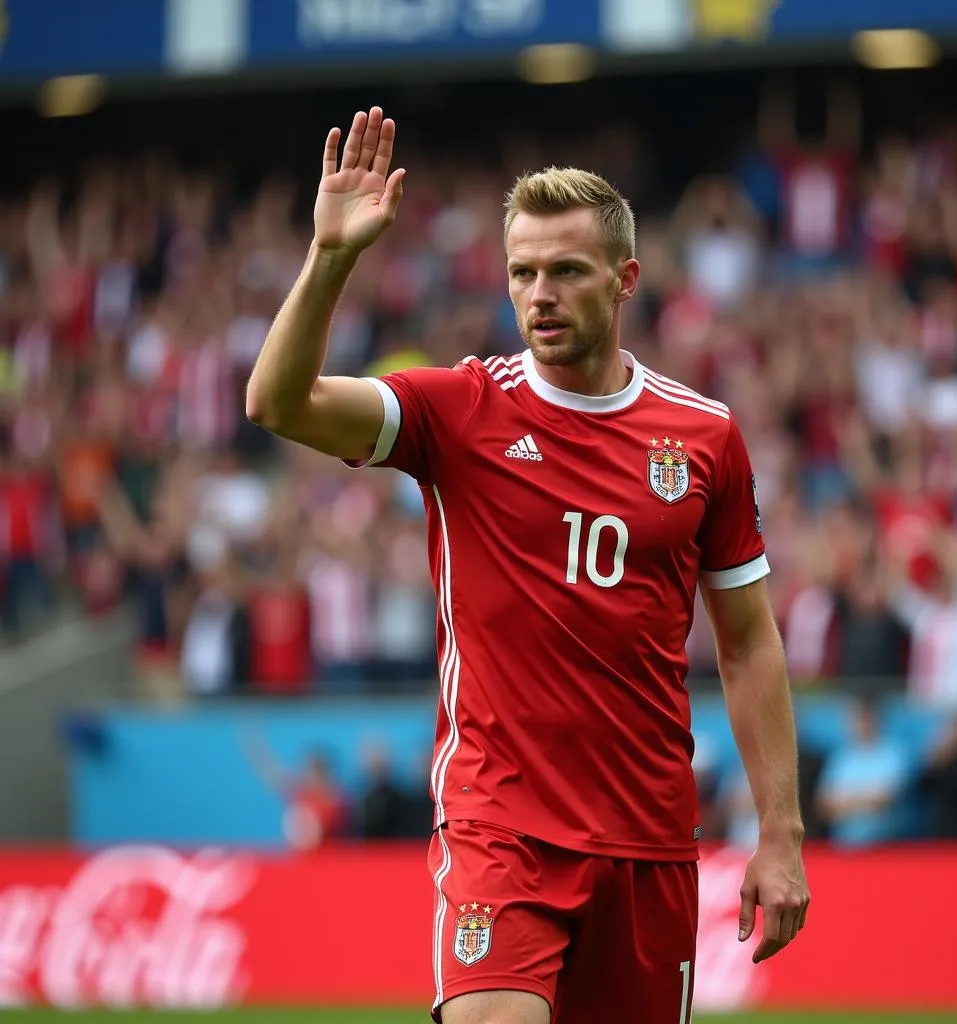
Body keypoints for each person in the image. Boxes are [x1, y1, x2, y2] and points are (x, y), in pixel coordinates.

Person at [246, 107, 810, 1024]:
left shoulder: (704, 436)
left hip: (647, 838)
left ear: (624, 281)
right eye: (522, 273)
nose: (538, 293)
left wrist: (780, 833)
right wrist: (333, 258)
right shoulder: (458, 410)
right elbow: (277, 401)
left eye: (565, 271)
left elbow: (749, 646)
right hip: (498, 829)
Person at [815, 697, 911, 847]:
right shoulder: (843, 755)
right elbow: (823, 804)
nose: (859, 724)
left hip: (882, 825)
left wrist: (845, 804)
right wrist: (861, 801)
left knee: (860, 829)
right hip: (843, 823)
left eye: (864, 718)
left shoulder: (893, 752)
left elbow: (885, 800)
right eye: (855, 718)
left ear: (875, 720)